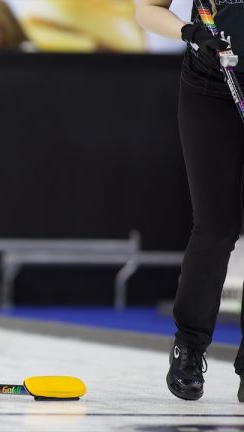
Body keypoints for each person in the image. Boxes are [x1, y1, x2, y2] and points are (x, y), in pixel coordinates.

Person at [135, 0, 244, 402]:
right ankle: (189, 347)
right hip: (209, 88)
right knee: (216, 227)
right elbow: (146, 10)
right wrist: (190, 33)